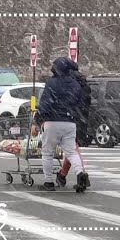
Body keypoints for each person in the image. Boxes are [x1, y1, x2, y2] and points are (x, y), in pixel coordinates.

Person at [33, 57, 90, 192]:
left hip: (52, 121)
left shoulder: (52, 83)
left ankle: (49, 182)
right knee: (71, 151)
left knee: (47, 152)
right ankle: (80, 174)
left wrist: (38, 118)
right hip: (70, 122)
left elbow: (46, 103)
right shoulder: (75, 85)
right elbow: (79, 104)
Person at [56, 60, 91, 187]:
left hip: (67, 118)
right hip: (81, 118)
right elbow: (86, 101)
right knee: (72, 149)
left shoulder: (65, 81)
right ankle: (62, 175)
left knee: (72, 150)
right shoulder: (83, 81)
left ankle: (82, 175)